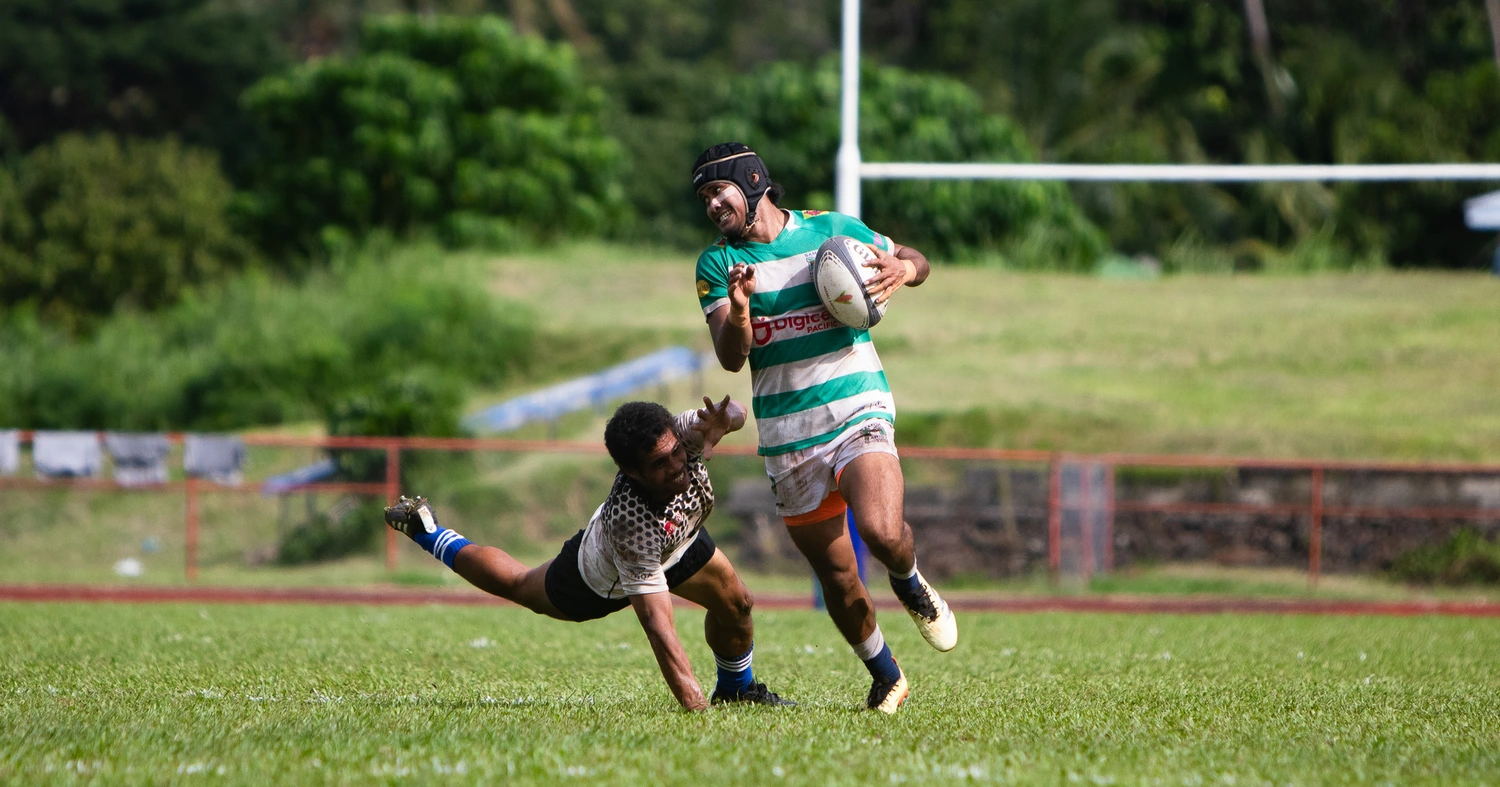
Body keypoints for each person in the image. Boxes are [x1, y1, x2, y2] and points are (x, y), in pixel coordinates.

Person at [690, 142, 958, 714]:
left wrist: (906, 268)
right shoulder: (716, 264)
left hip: (857, 408)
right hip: (788, 434)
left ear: (753, 180)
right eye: (704, 197)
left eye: (719, 189)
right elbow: (731, 358)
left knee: (882, 533)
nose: (712, 204)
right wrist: (739, 310)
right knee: (836, 576)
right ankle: (886, 675)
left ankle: (909, 582)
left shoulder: (831, 231)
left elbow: (916, 258)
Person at [383, 395, 793, 712]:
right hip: (599, 577)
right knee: (519, 584)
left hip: (679, 537)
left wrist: (728, 418)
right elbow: (659, 628)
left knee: (738, 603)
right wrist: (697, 711)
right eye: (658, 464)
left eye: (675, 453)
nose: (676, 466)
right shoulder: (629, 524)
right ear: (632, 473)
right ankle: (429, 532)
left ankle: (737, 691)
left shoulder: (678, 433)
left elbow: (733, 412)